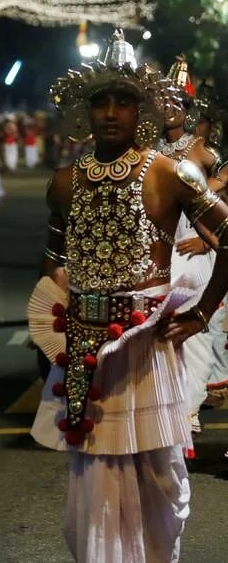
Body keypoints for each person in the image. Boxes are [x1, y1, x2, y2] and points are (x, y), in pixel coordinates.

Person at [30, 29, 228, 562]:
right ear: (84, 112)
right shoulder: (65, 181)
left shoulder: (169, 172)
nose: (111, 112)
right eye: (101, 102)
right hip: (84, 350)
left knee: (161, 476)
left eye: (123, 101)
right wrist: (46, 335)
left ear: (141, 109)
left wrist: (203, 312)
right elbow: (54, 264)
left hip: (148, 344)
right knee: (93, 477)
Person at [155, 56, 219, 438]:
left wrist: (207, 239)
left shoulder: (204, 152)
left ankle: (190, 408)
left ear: (187, 109)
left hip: (195, 247)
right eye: (162, 104)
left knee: (191, 330)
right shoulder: (148, 150)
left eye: (176, 103)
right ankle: (166, 404)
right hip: (160, 246)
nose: (168, 111)